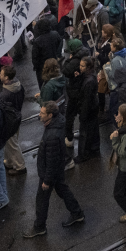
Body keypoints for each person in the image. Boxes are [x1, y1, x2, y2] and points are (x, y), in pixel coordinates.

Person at [25, 101, 84, 236]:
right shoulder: (56, 123)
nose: (39, 115)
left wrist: (46, 180)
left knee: (42, 199)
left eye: (42, 113)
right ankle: (77, 212)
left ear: (50, 115)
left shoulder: (52, 135)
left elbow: (51, 160)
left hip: (49, 172)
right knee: (62, 189)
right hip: (56, 170)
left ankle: (39, 227)